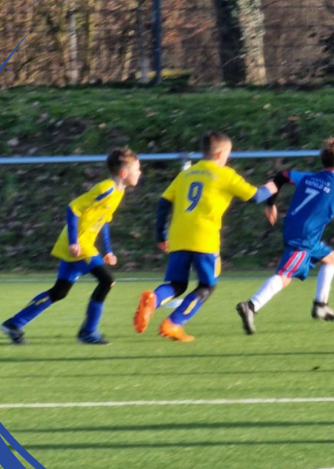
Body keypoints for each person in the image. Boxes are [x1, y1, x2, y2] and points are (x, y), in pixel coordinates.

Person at [133, 131, 277, 341]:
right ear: (220, 154)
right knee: (207, 286)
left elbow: (163, 203)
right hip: (205, 238)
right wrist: (272, 187)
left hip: (179, 236)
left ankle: (153, 299)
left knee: (177, 284)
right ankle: (173, 323)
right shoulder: (225, 174)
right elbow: (255, 196)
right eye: (227, 154)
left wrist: (160, 235)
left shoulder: (186, 174)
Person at [2, 147, 142, 345]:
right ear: (124, 173)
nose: (140, 173)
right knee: (106, 281)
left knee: (60, 291)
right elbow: (73, 208)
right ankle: (88, 332)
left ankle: (14, 324)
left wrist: (108, 250)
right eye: (137, 169)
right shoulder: (107, 188)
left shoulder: (118, 192)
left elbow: (104, 221)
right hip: (79, 244)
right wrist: (74, 241)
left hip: (80, 244)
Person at [236, 137, 334, 334]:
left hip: (297, 230)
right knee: (285, 276)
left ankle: (320, 305)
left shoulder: (308, 177)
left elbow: (282, 176)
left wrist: (271, 204)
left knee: (331, 258)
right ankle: (251, 306)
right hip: (304, 237)